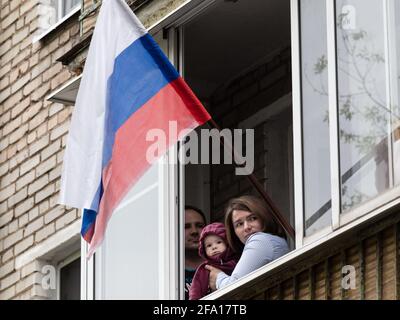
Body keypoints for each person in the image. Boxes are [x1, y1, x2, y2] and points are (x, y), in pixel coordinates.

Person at [205, 195, 289, 291]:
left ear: (264, 217)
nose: (246, 227)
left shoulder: (260, 240)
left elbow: (233, 288)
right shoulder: (273, 240)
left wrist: (218, 278)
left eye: (252, 218)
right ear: (234, 232)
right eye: (239, 224)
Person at [189, 222, 239, 300]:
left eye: (219, 242)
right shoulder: (205, 268)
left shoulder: (237, 261)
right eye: (209, 245)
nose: (214, 247)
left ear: (227, 243)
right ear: (204, 250)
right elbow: (196, 289)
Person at [184, 205, 206, 299]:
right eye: (186, 227)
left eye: (199, 226)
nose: (194, 231)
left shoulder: (222, 265)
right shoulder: (167, 273)